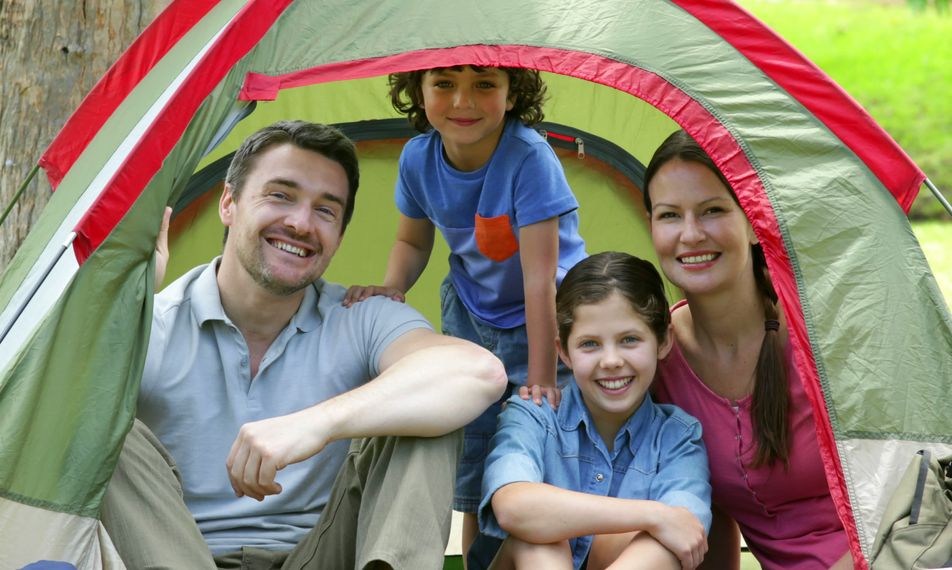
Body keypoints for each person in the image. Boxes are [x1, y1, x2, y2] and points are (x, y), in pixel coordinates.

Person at [99, 120, 508, 570]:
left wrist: (315, 425)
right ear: (229, 203)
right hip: (179, 556)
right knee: (98, 422)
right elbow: (41, 424)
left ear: (339, 235)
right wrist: (121, 309)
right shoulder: (152, 323)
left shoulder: (361, 316)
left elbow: (479, 373)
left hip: (321, 556)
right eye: (280, 195)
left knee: (429, 412)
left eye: (326, 210)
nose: (299, 223)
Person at [342, 64, 587, 563]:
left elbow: (540, 281)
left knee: (530, 442)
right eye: (444, 85)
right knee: (475, 450)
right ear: (419, 91)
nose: (463, 102)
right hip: (471, 313)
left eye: (484, 85)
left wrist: (542, 378)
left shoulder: (528, 159)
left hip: (545, 318)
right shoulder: (418, 159)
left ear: (512, 95)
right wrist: (392, 287)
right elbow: (412, 239)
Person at [643, 130, 851, 569]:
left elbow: (905, 479)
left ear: (755, 222)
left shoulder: (820, 332)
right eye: (669, 216)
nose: (691, 234)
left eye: (713, 210)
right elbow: (704, 510)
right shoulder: (657, 358)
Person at [480, 251, 712, 570]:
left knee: (659, 540)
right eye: (590, 344)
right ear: (564, 352)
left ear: (663, 341)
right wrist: (653, 514)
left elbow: (685, 530)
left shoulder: (679, 438)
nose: (611, 360)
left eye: (629, 339)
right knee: (540, 544)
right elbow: (512, 507)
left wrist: (659, 523)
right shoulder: (533, 414)